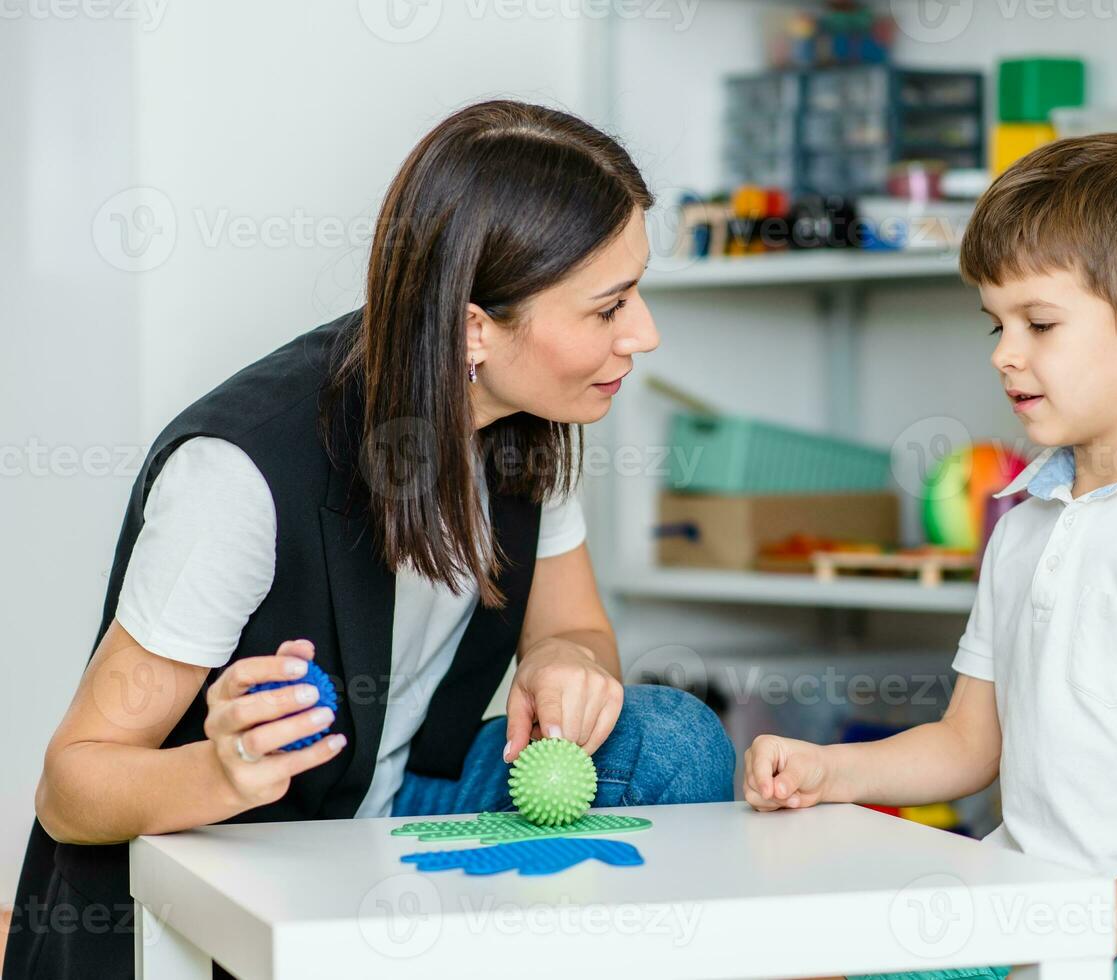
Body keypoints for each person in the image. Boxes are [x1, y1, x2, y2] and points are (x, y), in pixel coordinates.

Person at [6, 100, 735, 980]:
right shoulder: (237, 473)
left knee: (676, 742)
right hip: (240, 852)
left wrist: (565, 665)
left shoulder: (530, 419)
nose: (643, 333)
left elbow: (575, 631)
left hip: (401, 812)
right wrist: (226, 769)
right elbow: (71, 785)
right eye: (609, 306)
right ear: (475, 327)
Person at [744, 134, 1117, 980]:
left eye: (1038, 323)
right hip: (1025, 897)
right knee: (828, 963)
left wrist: (1096, 931)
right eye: (997, 324)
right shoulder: (1023, 528)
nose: (1004, 353)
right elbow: (970, 744)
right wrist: (830, 770)